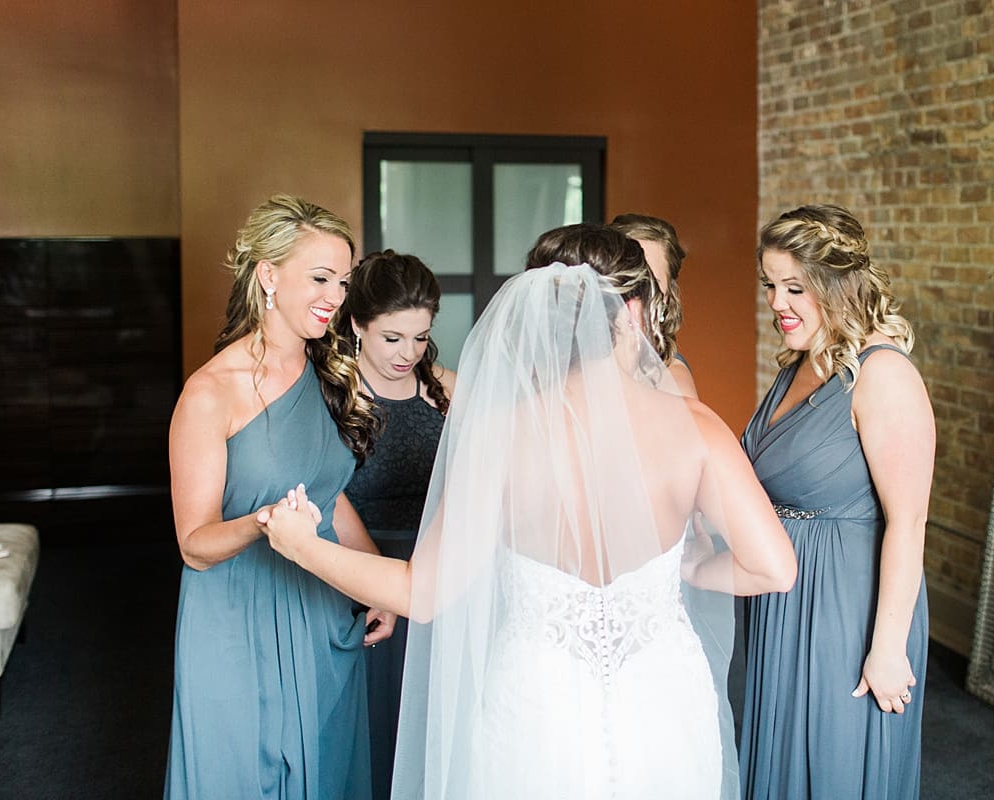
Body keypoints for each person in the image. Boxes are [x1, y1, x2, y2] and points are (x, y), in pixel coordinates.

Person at [260, 222, 797, 800]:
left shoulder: (501, 437)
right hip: (662, 700)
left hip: (538, 700)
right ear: (633, 313)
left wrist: (302, 546)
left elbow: (421, 593)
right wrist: (694, 569)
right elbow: (773, 568)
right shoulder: (696, 428)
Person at [164, 194, 395, 800]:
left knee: (325, 770)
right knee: (246, 776)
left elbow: (328, 494)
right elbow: (194, 545)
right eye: (320, 278)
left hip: (319, 603)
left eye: (342, 281)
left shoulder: (329, 373)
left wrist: (376, 583)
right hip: (237, 616)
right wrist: (262, 521)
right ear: (269, 276)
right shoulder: (211, 392)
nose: (336, 296)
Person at [738, 204, 934, 799]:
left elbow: (909, 522)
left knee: (833, 764)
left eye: (794, 288)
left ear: (838, 286)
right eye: (770, 285)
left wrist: (887, 649)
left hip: (847, 611)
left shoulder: (884, 375)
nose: (776, 302)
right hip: (782, 599)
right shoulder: (800, 365)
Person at [341, 249, 455, 800]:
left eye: (420, 338)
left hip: (438, 572)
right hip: (357, 574)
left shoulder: (448, 389)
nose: (408, 353)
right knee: (371, 731)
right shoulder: (330, 395)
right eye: (392, 338)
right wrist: (373, 585)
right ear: (357, 326)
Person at [611, 212, 698, 397]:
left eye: (651, 284)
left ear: (668, 298)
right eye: (628, 280)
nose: (636, 296)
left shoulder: (673, 385)